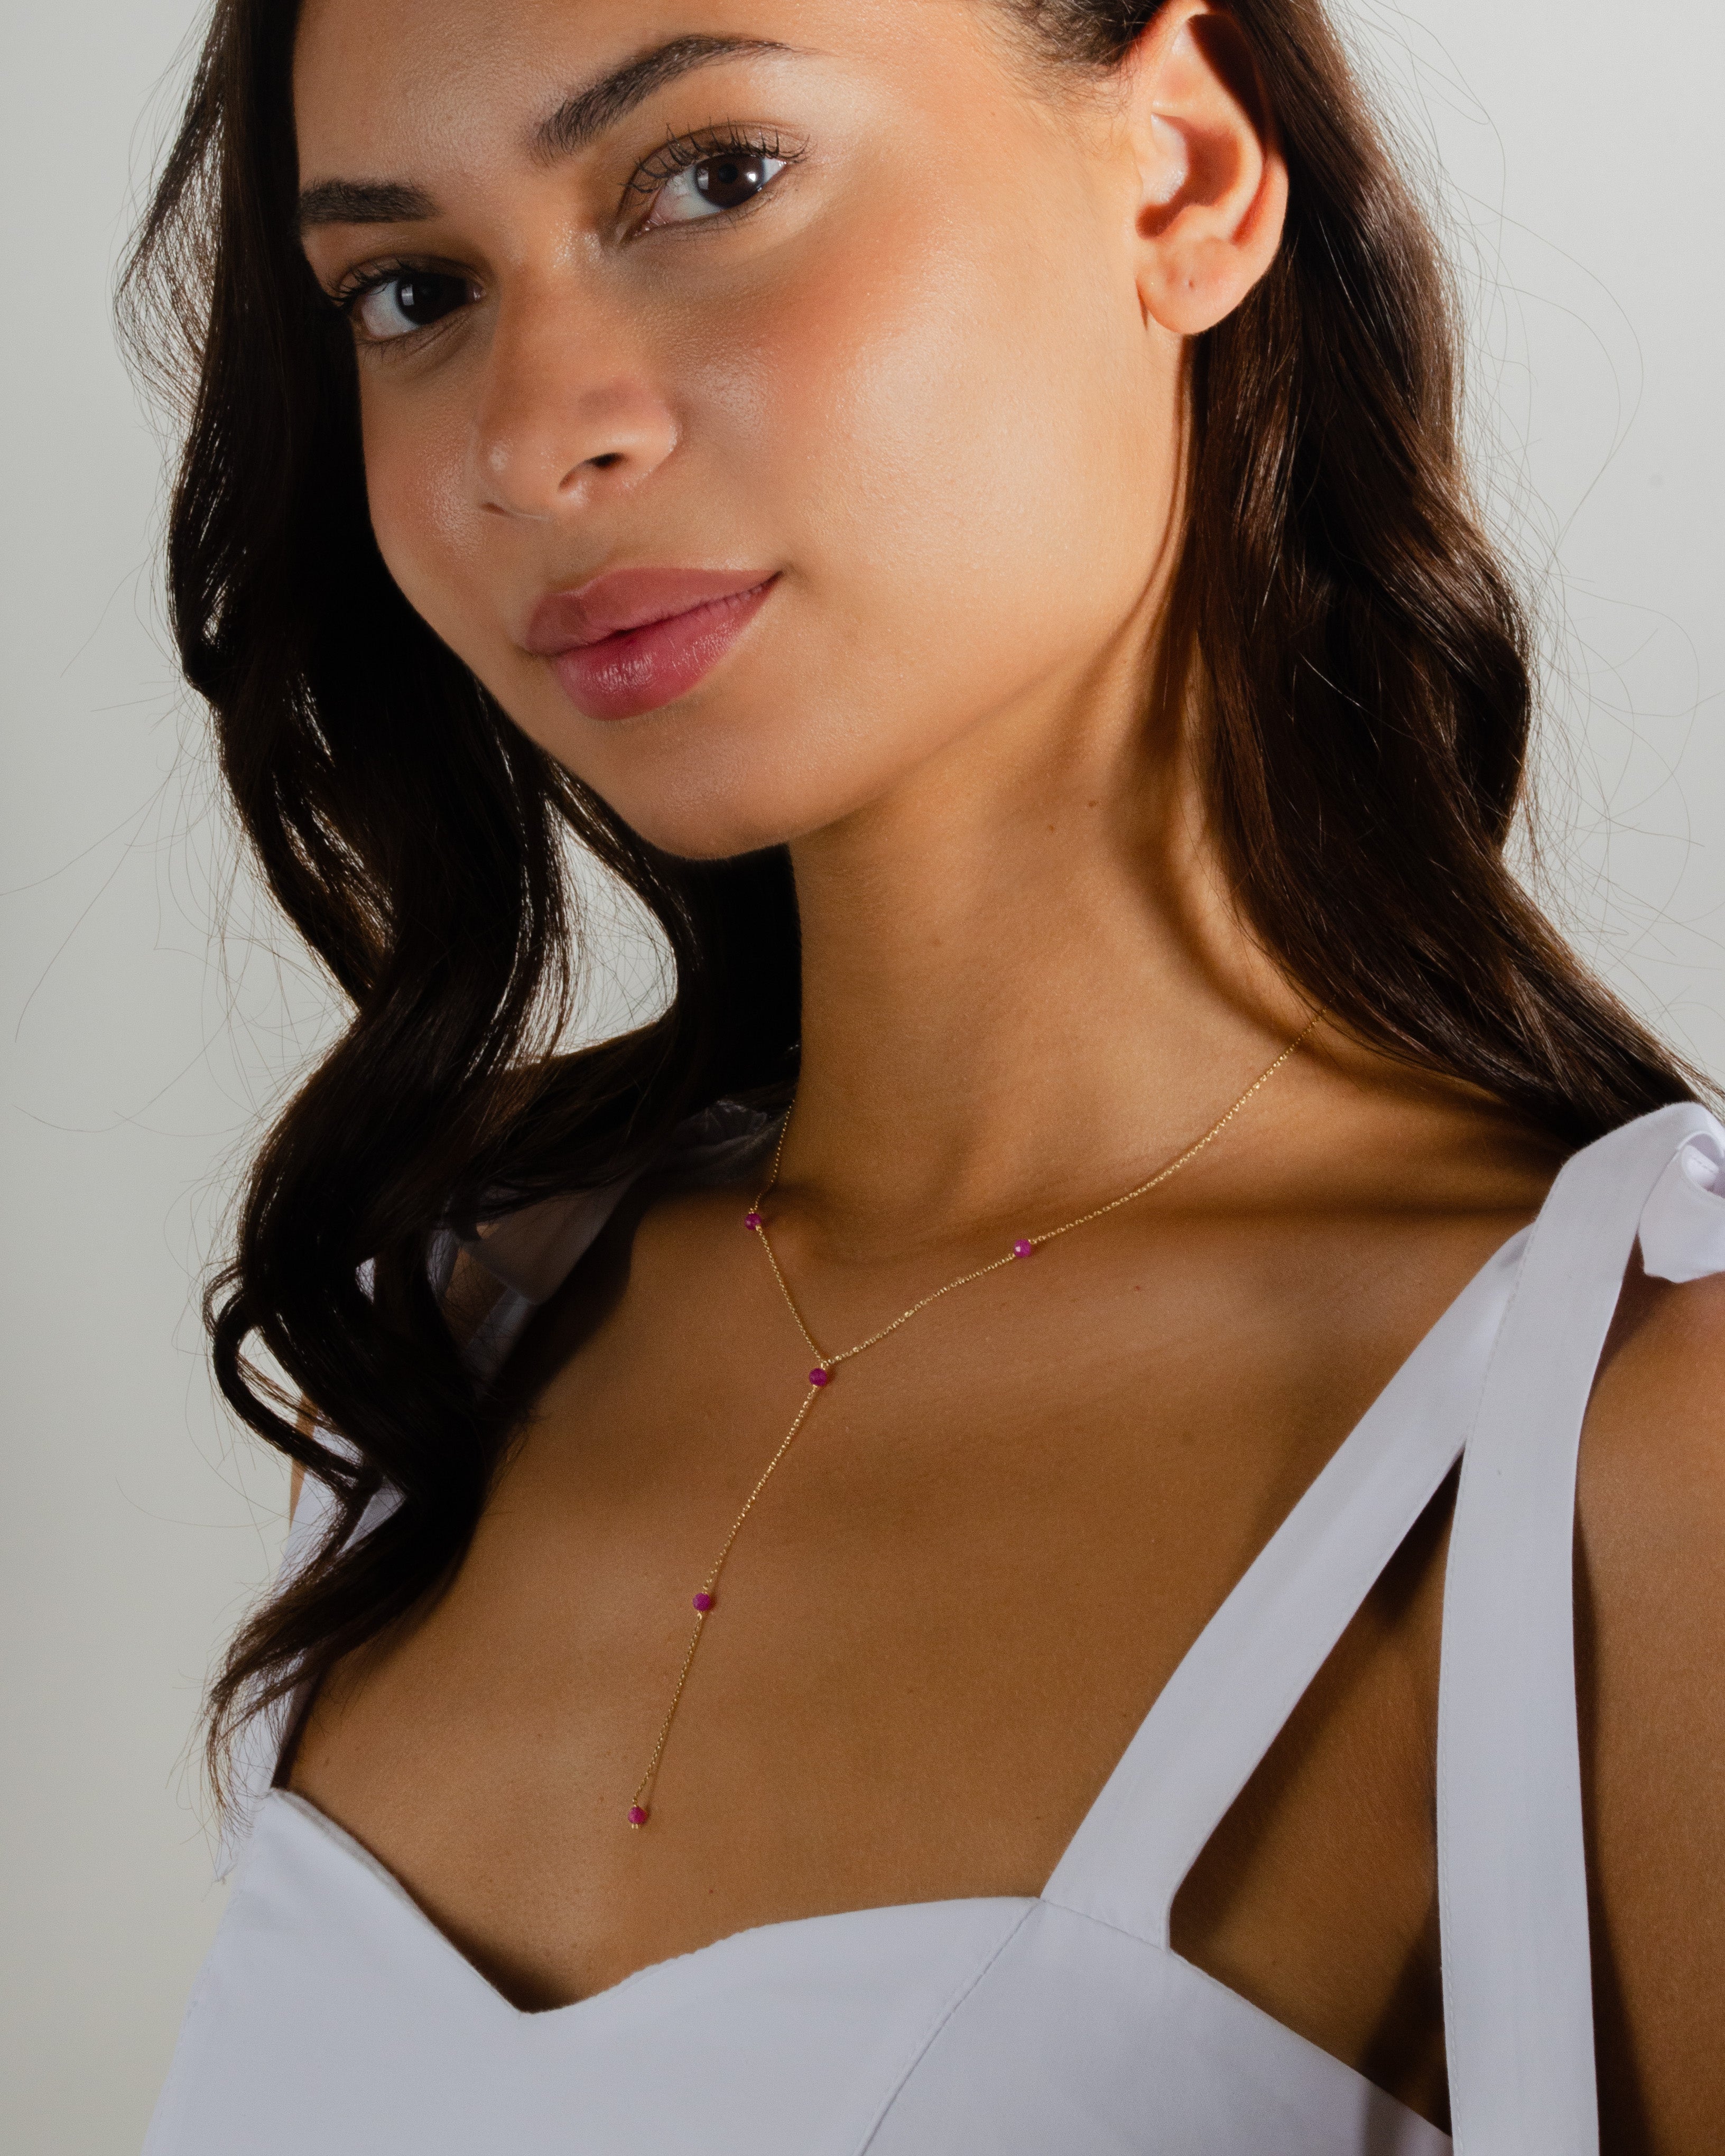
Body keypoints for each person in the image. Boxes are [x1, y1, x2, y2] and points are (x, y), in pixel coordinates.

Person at [127, 0, 1724, 2148]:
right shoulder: (451, 1324)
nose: (533, 439)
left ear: (1182, 171)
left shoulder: (1637, 1441)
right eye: (413, 290)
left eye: (712, 178)